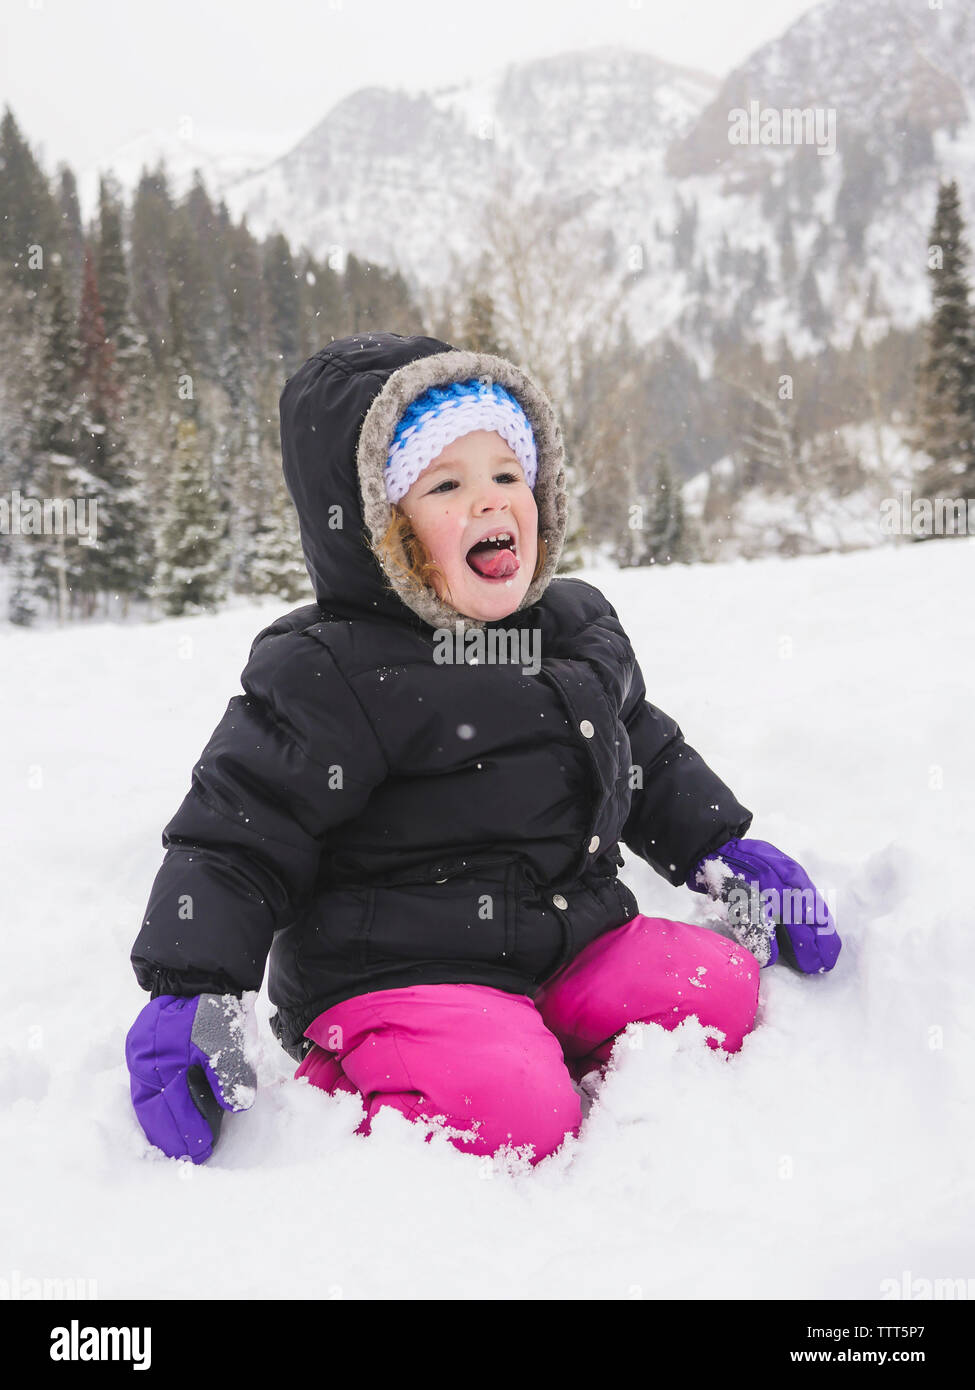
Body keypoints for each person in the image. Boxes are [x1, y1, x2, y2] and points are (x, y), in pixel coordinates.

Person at [125, 331, 840, 1166]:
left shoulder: (573, 630)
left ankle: (549, 1042)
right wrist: (193, 986)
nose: (492, 503)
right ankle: (362, 1074)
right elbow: (240, 833)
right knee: (514, 1115)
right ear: (378, 527)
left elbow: (644, 751)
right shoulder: (335, 670)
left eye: (508, 475)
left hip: (567, 936)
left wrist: (721, 850)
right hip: (399, 971)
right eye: (446, 484)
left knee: (711, 989)